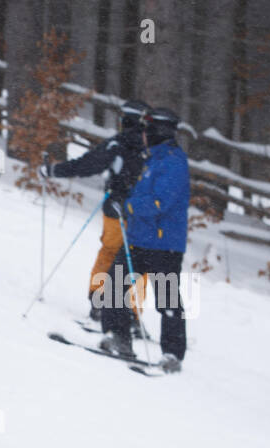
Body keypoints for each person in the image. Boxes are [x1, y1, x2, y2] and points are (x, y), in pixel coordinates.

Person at [39, 98, 150, 330]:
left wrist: (53, 171)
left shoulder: (117, 145)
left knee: (110, 253)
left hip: (117, 207)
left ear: (124, 120)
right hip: (144, 214)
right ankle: (131, 312)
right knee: (138, 262)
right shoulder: (151, 150)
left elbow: (87, 164)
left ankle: (100, 302)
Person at [101, 106, 190, 371]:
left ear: (159, 132)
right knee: (114, 285)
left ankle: (172, 354)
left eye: (147, 130)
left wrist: (128, 206)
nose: (142, 135)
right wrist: (119, 198)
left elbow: (160, 201)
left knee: (166, 298)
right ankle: (118, 336)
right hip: (139, 238)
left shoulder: (174, 162)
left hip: (164, 243)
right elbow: (140, 194)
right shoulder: (150, 160)